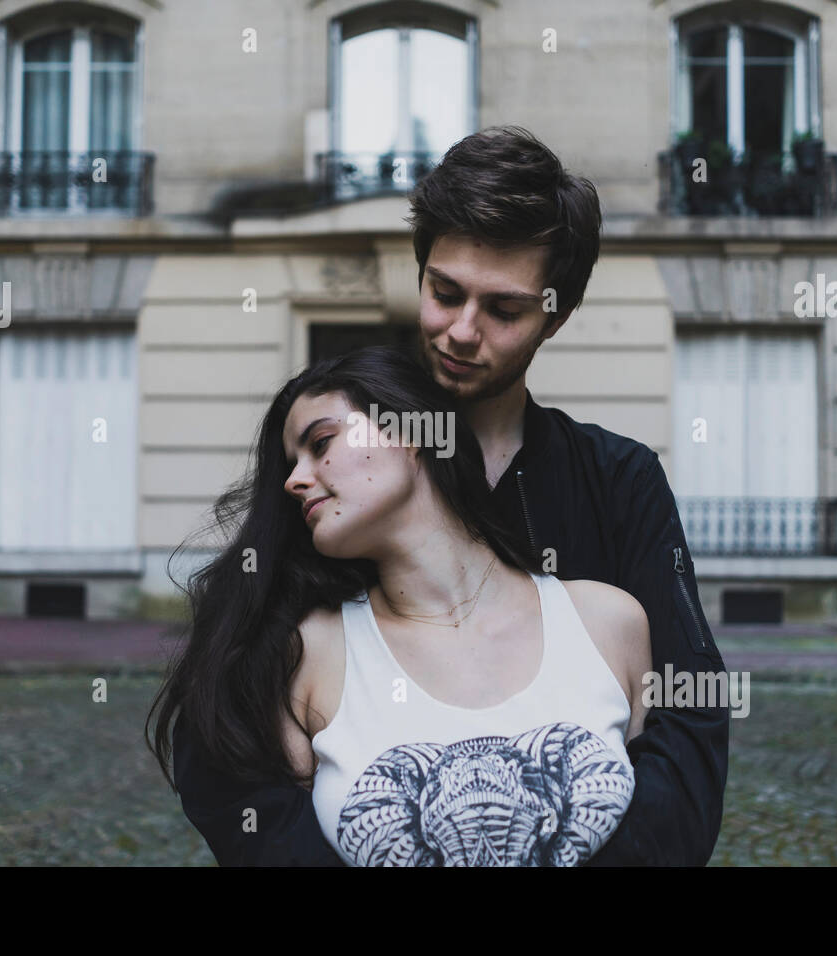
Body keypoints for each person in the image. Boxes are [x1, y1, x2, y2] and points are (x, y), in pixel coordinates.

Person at [148, 125, 729, 866]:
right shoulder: (345, 467)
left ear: (557, 315)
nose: (460, 330)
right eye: (444, 292)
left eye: (503, 310)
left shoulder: (618, 480)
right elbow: (220, 739)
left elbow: (691, 712)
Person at [150, 345, 650, 866]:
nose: (294, 480)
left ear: (412, 433)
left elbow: (663, 822)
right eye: (292, 462)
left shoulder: (608, 622)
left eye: (320, 443)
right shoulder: (306, 654)